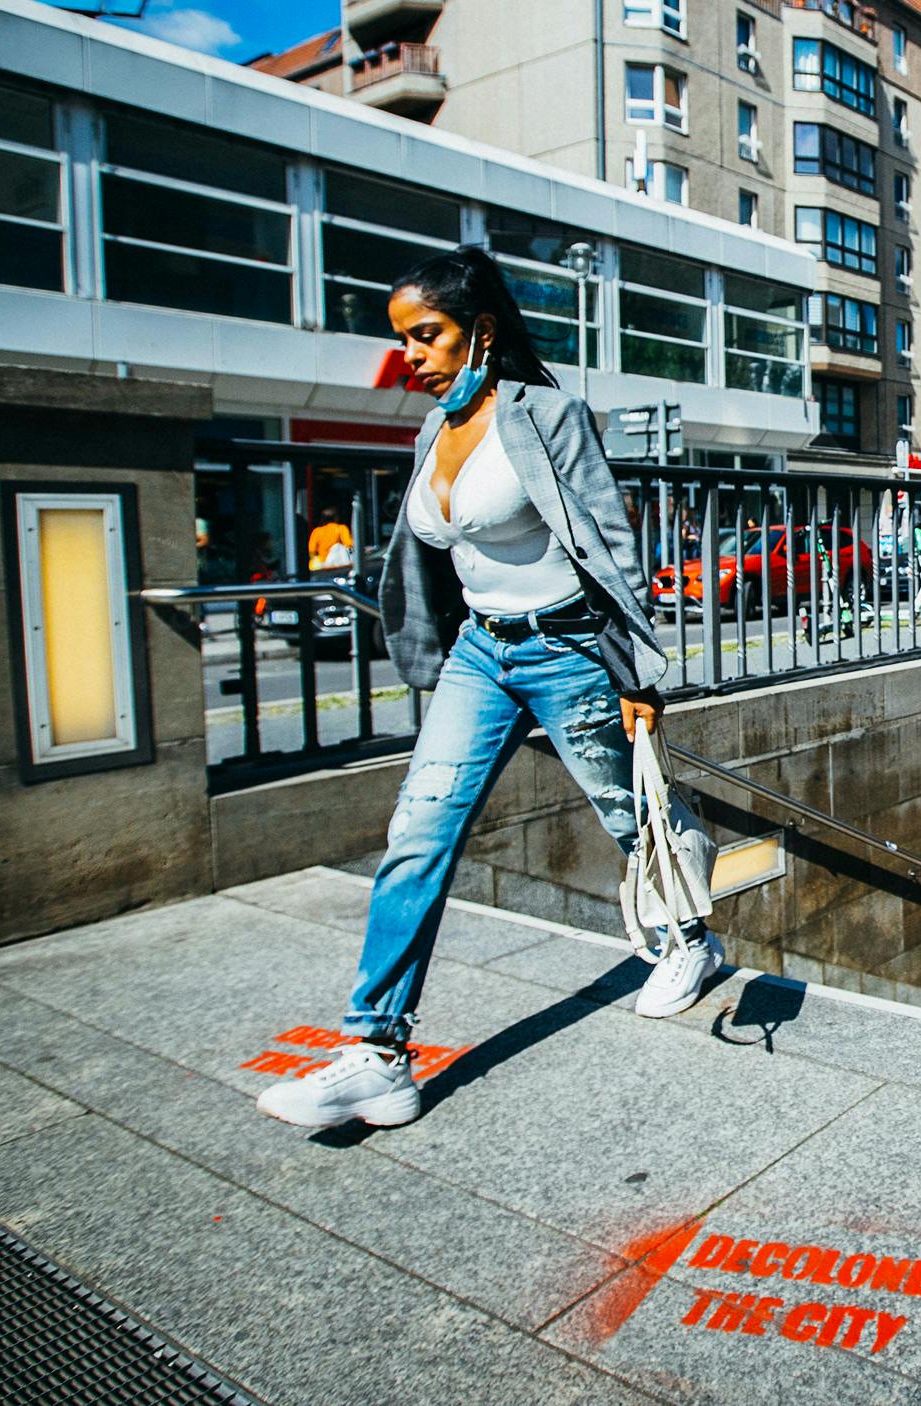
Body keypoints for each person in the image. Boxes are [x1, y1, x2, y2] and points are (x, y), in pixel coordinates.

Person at [258, 245, 715, 1132]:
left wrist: (636, 673)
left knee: (634, 816)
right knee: (418, 829)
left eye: (427, 337)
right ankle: (378, 1052)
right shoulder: (433, 431)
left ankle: (691, 940)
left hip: (569, 652)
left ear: (481, 332)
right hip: (480, 656)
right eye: (405, 342)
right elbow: (435, 554)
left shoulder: (547, 416)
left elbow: (610, 545)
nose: (413, 358)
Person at [307, 504, 354, 570]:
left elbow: (311, 551)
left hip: (323, 565)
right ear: (336, 517)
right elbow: (349, 545)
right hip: (339, 565)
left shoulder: (316, 531)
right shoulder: (341, 528)